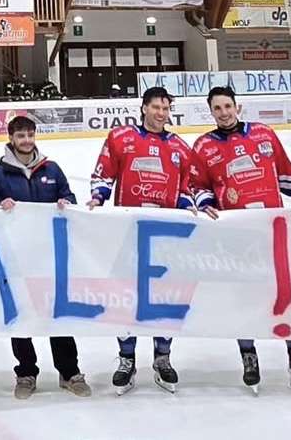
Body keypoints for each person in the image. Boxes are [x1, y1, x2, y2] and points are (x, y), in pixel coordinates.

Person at [191, 86, 291, 397]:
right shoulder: (204, 146)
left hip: (274, 232)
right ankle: (248, 354)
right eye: (217, 108)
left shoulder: (263, 134)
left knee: (286, 293)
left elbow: (288, 178)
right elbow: (198, 185)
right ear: (211, 112)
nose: (223, 113)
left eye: (227, 106)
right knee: (243, 295)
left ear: (237, 107)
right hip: (236, 235)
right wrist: (207, 202)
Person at [89, 86, 212, 395]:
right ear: (144, 107)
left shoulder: (180, 147)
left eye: (166, 108)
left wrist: (188, 205)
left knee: (164, 297)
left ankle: (162, 358)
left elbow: (186, 188)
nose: (161, 113)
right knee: (125, 297)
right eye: (156, 107)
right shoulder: (121, 137)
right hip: (128, 232)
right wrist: (98, 197)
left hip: (165, 234)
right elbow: (103, 175)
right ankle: (126, 359)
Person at [0, 115, 90, 400]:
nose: (26, 140)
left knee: (58, 313)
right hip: (15, 258)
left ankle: (69, 372)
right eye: (20, 136)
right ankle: (26, 373)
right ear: (11, 138)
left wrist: (66, 203)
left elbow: (70, 198)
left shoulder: (52, 169)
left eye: (30, 135)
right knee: (20, 315)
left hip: (49, 257)